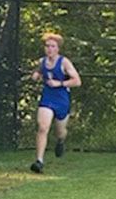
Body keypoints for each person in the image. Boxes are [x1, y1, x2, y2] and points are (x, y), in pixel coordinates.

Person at [29, 32, 81, 173]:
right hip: (47, 97)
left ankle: (60, 142)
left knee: (60, 131)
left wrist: (59, 83)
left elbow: (77, 81)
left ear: (58, 49)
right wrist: (36, 76)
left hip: (62, 99)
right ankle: (39, 161)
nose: (49, 49)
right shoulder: (42, 62)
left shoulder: (64, 62)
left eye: (52, 46)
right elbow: (39, 72)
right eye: (47, 46)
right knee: (42, 127)